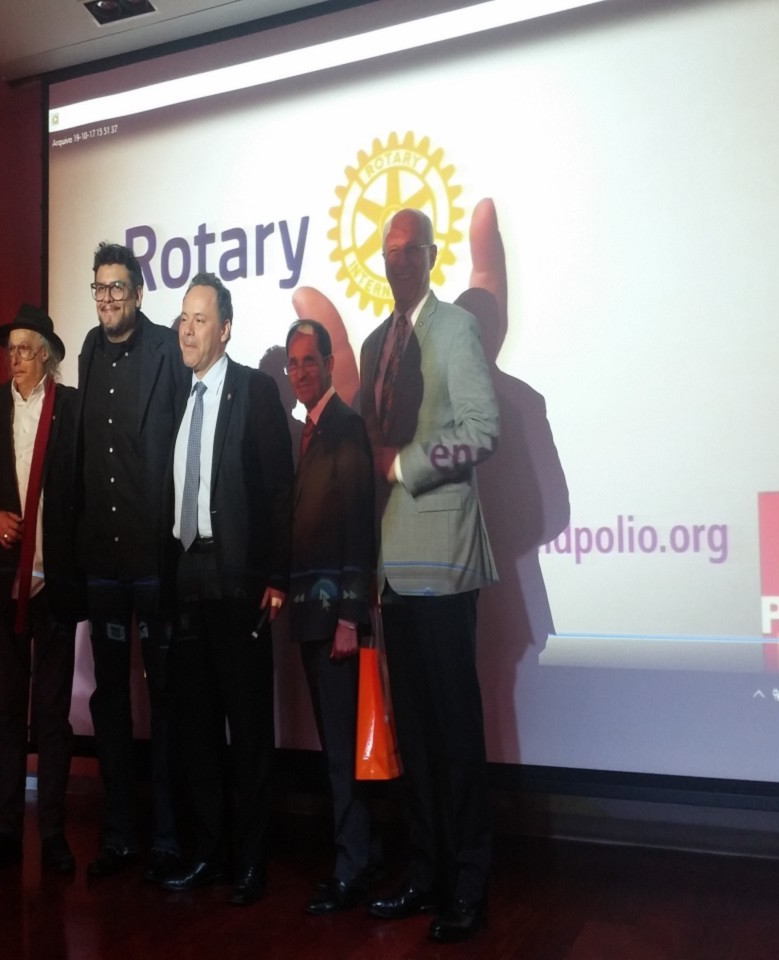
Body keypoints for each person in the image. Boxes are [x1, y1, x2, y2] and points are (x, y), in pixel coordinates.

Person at [360, 209, 500, 943]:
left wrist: (406, 465)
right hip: (393, 567)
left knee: (454, 734)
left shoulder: (455, 330)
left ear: (433, 255)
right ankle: (424, 874)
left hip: (444, 561)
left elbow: (483, 431)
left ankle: (468, 885)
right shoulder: (373, 344)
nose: (398, 262)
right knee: (414, 736)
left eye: (410, 250)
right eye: (389, 253)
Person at [160, 273, 292, 906]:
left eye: (200, 320)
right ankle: (210, 855)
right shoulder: (177, 398)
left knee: (249, 729)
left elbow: (279, 493)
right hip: (188, 581)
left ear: (226, 328)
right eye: (183, 319)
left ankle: (251, 860)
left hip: (239, 582)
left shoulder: (254, 391)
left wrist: (277, 578)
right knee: (198, 730)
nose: (187, 331)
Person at [0, 304, 84, 877]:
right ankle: (6, 831)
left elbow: (84, 491)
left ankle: (53, 832)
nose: (15, 359)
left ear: (47, 356)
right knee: (8, 714)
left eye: (25, 350)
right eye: (10, 349)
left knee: (53, 717)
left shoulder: (72, 409)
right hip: (4, 585)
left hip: (55, 586)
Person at [76, 242, 185, 882]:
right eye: (100, 288)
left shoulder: (167, 349)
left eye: (118, 287)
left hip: (155, 559)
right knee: (110, 702)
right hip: (104, 564)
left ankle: (167, 837)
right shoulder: (87, 351)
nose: (108, 298)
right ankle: (119, 833)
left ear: (139, 293)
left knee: (168, 699)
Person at [284, 319, 379, 914]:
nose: (300, 372)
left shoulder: (345, 427)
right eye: (293, 363)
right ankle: (356, 856)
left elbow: (358, 528)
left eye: (309, 361)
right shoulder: (308, 431)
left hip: (334, 621)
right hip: (309, 617)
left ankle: (353, 868)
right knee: (335, 749)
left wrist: (349, 616)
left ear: (329, 364)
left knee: (344, 753)